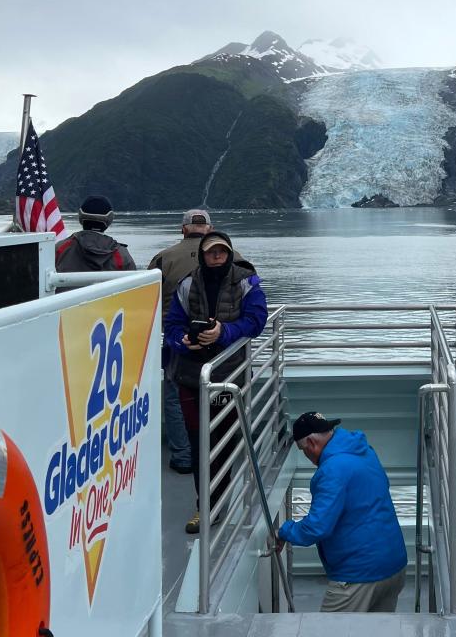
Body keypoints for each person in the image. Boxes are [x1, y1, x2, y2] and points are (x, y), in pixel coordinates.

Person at [164, 231, 268, 533]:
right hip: (190, 375)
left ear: (230, 253)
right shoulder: (187, 284)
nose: (217, 257)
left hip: (228, 374)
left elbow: (256, 320)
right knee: (198, 441)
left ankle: (217, 501)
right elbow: (171, 325)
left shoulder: (247, 282)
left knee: (223, 439)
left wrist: (224, 332)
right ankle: (205, 504)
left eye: (222, 252)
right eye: (211, 252)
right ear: (202, 254)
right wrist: (182, 341)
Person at [276, 412, 408, 612]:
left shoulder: (332, 470)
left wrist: (284, 531)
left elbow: (316, 527)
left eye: (302, 450)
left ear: (311, 442)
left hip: (359, 574)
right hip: (393, 566)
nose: (306, 456)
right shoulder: (364, 451)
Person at [148, 209, 221, 474]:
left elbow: (147, 299)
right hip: (220, 339)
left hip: (178, 338)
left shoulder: (163, 258)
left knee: (175, 394)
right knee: (221, 392)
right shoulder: (232, 256)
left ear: (183, 229)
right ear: (210, 231)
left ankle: (183, 456)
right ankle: (220, 450)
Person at [55, 195, 136, 271]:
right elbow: (134, 283)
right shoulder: (121, 255)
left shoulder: (61, 249)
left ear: (80, 217)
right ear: (109, 219)